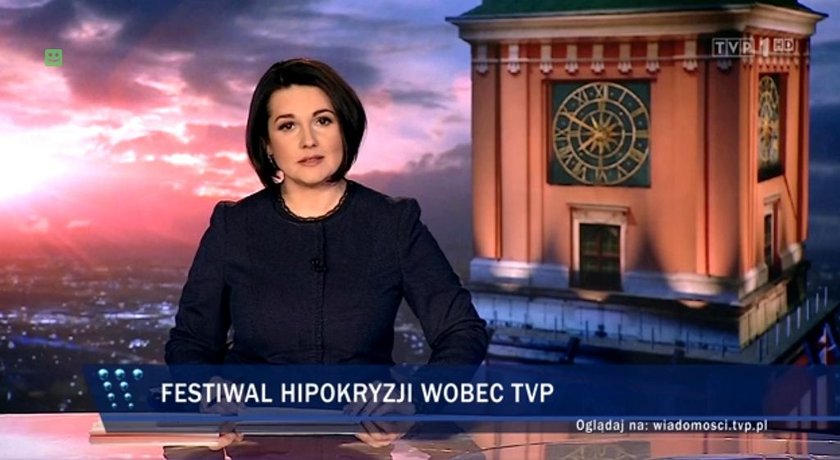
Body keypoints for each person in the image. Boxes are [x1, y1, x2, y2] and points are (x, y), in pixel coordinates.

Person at [164, 58, 489, 447]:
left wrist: (413, 399)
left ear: (344, 129)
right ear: (267, 145)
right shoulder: (233, 226)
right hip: (251, 442)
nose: (308, 140)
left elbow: (461, 330)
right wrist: (206, 389)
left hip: (366, 444)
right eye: (287, 126)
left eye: (323, 120)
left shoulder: (393, 223)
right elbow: (191, 343)